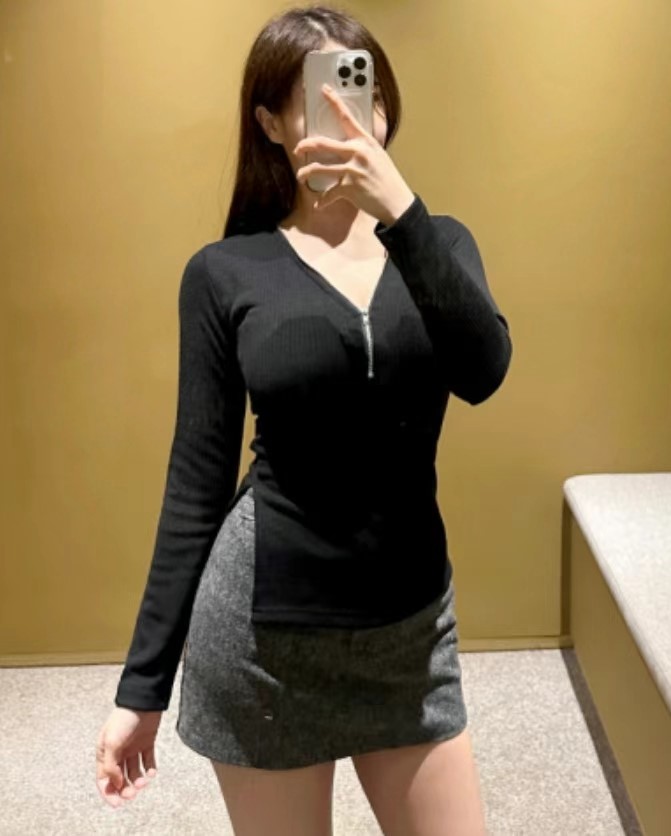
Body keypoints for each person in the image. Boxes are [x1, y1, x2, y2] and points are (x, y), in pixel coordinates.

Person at [96, 5, 512, 834]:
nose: (354, 112)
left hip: (410, 633)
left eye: (365, 91)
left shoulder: (438, 243)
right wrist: (141, 687)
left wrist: (402, 215)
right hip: (263, 642)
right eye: (320, 95)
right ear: (269, 122)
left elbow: (482, 373)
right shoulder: (225, 271)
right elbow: (197, 481)